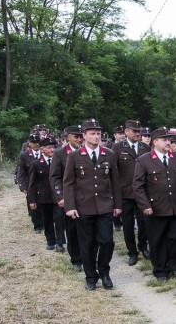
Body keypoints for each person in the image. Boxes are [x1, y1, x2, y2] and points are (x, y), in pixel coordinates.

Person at [63, 119, 122, 290]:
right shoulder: (74, 156)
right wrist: (70, 206)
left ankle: (104, 271)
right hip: (84, 206)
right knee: (87, 243)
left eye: (98, 134)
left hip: (104, 205)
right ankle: (91, 276)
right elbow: (68, 183)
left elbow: (115, 181)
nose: (96, 137)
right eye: (92, 134)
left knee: (106, 241)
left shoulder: (108, 154)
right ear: (84, 136)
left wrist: (117, 204)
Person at [133, 128, 176, 281]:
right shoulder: (144, 160)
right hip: (156, 208)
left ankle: (174, 264)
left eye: (168, 140)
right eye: (164, 140)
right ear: (155, 142)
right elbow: (138, 186)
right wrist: (145, 205)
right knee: (157, 240)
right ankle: (160, 269)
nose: (168, 142)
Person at [112, 120, 150, 266]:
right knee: (127, 224)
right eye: (134, 131)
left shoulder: (145, 147)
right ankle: (132, 252)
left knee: (144, 222)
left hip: (142, 193)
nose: (137, 133)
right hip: (125, 193)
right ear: (126, 132)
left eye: (138, 131)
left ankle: (143, 246)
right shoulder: (117, 148)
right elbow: (114, 172)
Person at [50, 125, 83, 271]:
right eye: (76, 136)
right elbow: (55, 177)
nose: (79, 139)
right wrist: (61, 196)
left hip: (87, 197)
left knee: (89, 230)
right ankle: (76, 259)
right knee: (72, 230)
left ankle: (89, 257)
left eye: (81, 136)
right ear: (68, 137)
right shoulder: (60, 154)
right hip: (70, 197)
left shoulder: (87, 152)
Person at [28, 138, 65, 251]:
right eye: (49, 148)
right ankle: (50, 241)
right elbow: (32, 183)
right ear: (42, 149)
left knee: (59, 219)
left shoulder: (59, 162)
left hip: (58, 197)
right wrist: (32, 200)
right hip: (43, 197)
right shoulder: (36, 164)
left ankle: (60, 242)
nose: (52, 149)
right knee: (47, 220)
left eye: (53, 147)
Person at [16, 133, 44, 233]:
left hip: (44, 184)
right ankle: (38, 226)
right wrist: (22, 186)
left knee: (44, 204)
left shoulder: (45, 153)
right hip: (30, 184)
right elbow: (21, 171)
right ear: (29, 143)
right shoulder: (24, 155)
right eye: (33, 142)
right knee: (32, 205)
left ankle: (45, 222)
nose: (36, 144)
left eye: (38, 142)